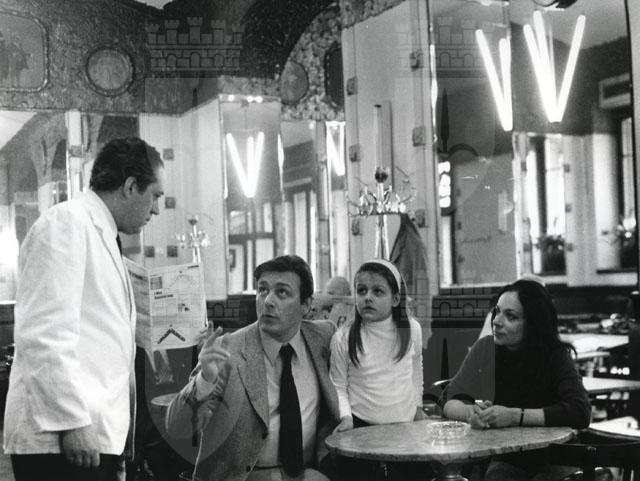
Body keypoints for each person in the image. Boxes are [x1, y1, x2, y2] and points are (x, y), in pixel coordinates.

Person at [3, 137, 165, 481]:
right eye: (155, 196)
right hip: (61, 437)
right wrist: (72, 422)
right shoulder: (67, 223)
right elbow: (44, 333)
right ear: (130, 186)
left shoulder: (100, 232)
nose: (156, 210)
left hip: (91, 432)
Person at [166, 254, 340, 481]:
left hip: (305, 473)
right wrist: (204, 381)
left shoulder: (323, 336)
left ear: (306, 305)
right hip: (242, 476)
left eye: (282, 292)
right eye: (263, 290)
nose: (268, 301)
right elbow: (176, 428)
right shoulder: (227, 351)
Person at [441, 279, 591, 481]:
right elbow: (448, 399)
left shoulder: (554, 355)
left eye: (510, 316)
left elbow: (580, 411)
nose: (496, 321)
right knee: (497, 477)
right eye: (497, 312)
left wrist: (514, 416)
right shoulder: (485, 349)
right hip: (510, 456)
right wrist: (470, 413)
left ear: (533, 324)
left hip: (556, 455)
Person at [329, 259, 425, 480]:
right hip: (362, 428)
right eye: (361, 291)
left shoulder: (412, 329)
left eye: (377, 291)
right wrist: (346, 418)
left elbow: (416, 370)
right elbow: (338, 385)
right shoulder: (343, 337)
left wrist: (417, 406)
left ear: (396, 299)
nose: (368, 297)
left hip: (405, 427)